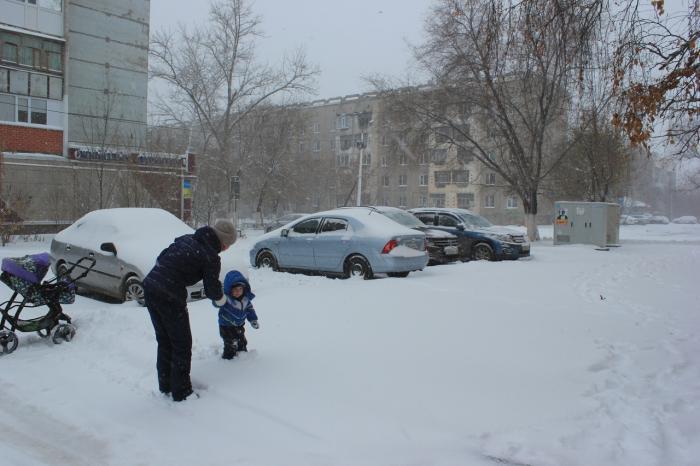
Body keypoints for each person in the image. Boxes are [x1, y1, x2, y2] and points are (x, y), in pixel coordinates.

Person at [143, 218, 236, 402]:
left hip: (150, 286)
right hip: (169, 294)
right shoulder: (211, 256)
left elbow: (162, 257)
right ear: (224, 243)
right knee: (181, 344)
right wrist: (223, 301)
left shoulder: (187, 238)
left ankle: (166, 384)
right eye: (228, 245)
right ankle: (182, 392)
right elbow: (212, 290)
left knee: (165, 340)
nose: (226, 249)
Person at [218, 270, 259, 359]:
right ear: (230, 290)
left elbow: (250, 310)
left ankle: (242, 355)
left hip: (239, 326)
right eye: (235, 289)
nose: (238, 291)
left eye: (240, 289)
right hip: (226, 326)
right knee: (230, 343)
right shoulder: (226, 300)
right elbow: (217, 303)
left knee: (242, 341)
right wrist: (218, 300)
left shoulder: (245, 300)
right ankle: (228, 359)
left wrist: (253, 320)